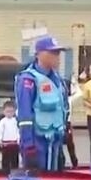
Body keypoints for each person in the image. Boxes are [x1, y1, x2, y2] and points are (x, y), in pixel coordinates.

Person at [15, 36, 70, 172]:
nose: (57, 57)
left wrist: (66, 131)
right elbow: (25, 115)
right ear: (39, 54)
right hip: (37, 142)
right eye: (53, 53)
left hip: (55, 141)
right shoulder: (28, 80)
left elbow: (63, 108)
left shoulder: (58, 80)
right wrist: (28, 145)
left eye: (58, 53)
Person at [0, 100, 20, 175]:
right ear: (4, 112)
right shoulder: (3, 121)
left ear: (14, 112)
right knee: (5, 159)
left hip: (14, 143)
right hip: (5, 143)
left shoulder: (16, 121)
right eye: (7, 111)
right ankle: (5, 172)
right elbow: (0, 131)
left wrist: (18, 139)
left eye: (11, 111)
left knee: (14, 158)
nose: (9, 113)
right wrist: (0, 139)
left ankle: (15, 172)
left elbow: (18, 130)